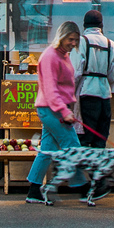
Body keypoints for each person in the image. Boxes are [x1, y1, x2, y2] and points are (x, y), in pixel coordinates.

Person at [24, 21, 92, 204]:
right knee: (73, 147)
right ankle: (82, 188)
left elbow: (63, 87)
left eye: (76, 40)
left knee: (47, 150)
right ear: (61, 36)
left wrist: (69, 107)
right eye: (70, 39)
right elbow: (50, 89)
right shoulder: (50, 57)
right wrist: (64, 111)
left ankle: (33, 191)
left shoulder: (63, 55)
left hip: (56, 109)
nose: (73, 43)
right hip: (52, 110)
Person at [69, 9, 114, 148]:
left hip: (87, 96)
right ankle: (97, 168)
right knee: (100, 140)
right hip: (104, 97)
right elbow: (113, 75)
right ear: (101, 26)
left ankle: (83, 169)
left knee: (84, 139)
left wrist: (69, 97)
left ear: (84, 26)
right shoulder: (110, 44)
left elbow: (75, 73)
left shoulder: (81, 42)